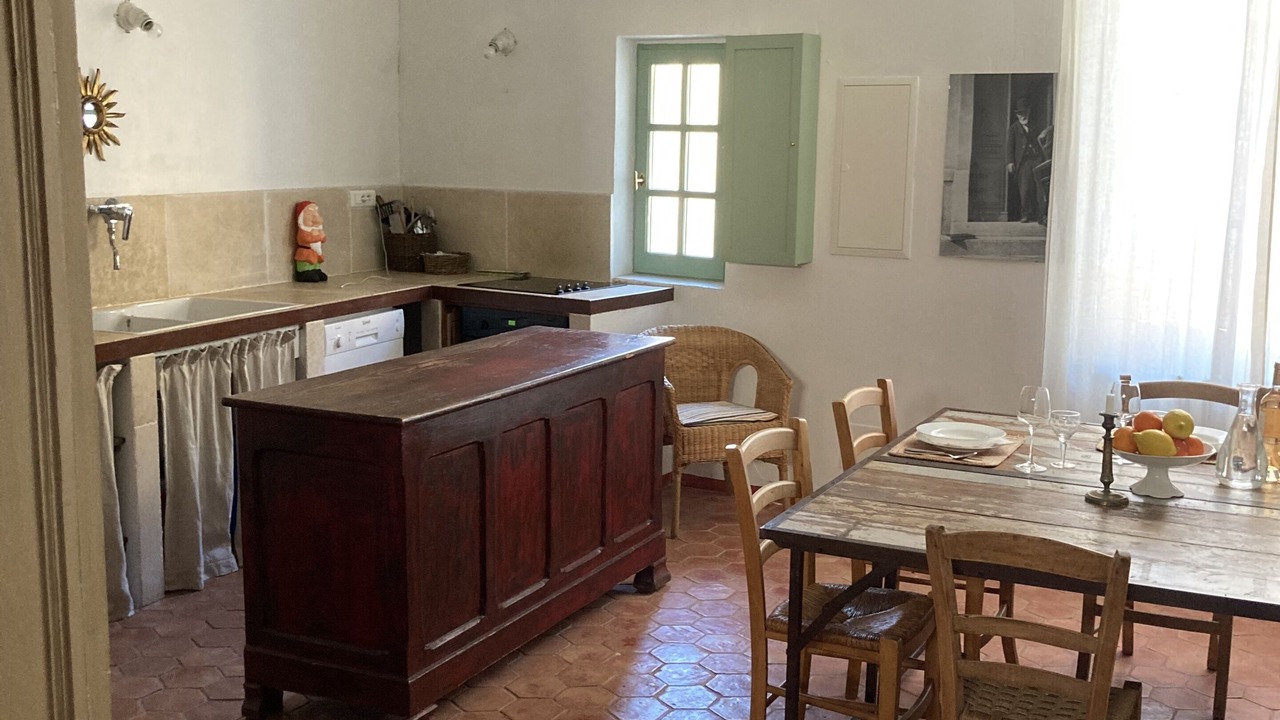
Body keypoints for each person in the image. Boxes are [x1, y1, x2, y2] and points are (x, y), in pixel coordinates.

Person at [1006, 97, 1044, 223]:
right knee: (1025, 188)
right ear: (1017, 115)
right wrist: (1010, 162)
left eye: (1025, 113)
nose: (1023, 116)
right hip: (1023, 162)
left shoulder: (1036, 125)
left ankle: (1040, 215)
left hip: (1036, 159)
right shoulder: (1014, 128)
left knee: (1039, 187)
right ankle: (1025, 214)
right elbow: (1010, 146)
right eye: (1020, 114)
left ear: (1029, 112)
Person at [293, 200, 328, 282]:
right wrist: (319, 237)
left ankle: (316, 270)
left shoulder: (317, 229)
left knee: (316, 261)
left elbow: (324, 239)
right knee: (307, 261)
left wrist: (321, 236)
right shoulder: (304, 231)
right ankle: (303, 272)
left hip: (315, 251)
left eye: (316, 212)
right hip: (306, 251)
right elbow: (306, 239)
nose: (315, 216)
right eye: (310, 213)